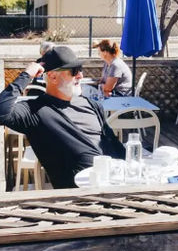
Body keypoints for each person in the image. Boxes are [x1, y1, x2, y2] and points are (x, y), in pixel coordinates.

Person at [0, 46, 125, 189]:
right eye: (74, 71)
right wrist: (27, 74)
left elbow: (113, 144)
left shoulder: (92, 105)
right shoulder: (35, 111)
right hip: (78, 197)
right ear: (53, 76)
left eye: (80, 69)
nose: (80, 76)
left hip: (116, 186)